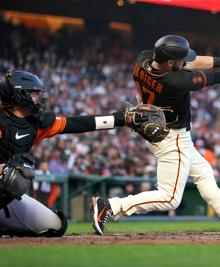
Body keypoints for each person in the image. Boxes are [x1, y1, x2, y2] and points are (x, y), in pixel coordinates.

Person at [91, 34, 220, 235]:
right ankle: (111, 206)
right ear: (169, 62)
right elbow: (215, 78)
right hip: (171, 137)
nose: (185, 62)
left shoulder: (144, 60)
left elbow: (190, 63)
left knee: (204, 175)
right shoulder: (175, 81)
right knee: (170, 198)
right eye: (179, 60)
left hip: (160, 130)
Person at [0, 70, 162, 237]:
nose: (37, 98)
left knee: (55, 225)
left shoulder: (35, 124)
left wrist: (124, 119)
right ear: (18, 95)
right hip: (4, 183)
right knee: (15, 172)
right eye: (32, 94)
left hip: (7, 198)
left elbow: (77, 123)